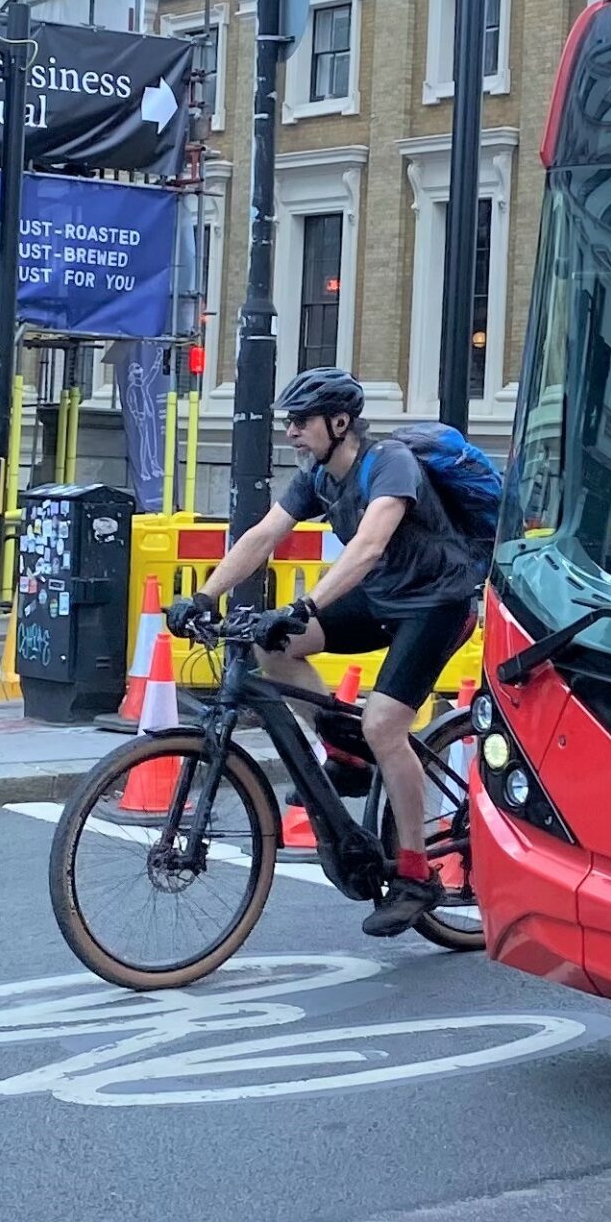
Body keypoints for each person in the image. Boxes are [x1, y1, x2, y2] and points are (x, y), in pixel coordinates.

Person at [164, 368, 485, 937]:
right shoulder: (317, 477)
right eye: (288, 421)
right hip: (385, 597)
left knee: (386, 723)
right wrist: (203, 596)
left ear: (340, 423)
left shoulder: (389, 462)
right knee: (274, 645)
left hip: (438, 602)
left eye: (301, 421)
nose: (291, 431)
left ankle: (416, 875)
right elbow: (263, 535)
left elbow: (368, 546)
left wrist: (305, 604)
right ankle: (349, 752)